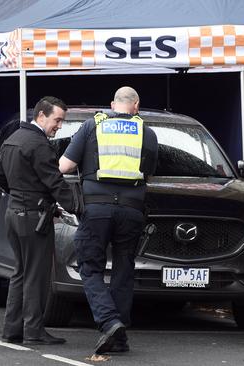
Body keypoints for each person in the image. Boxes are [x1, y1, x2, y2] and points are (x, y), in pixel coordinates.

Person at [59, 86, 158, 354]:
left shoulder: (92, 126)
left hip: (97, 208)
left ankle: (109, 321)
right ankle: (120, 337)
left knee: (90, 267)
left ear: (113, 104)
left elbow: (65, 166)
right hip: (132, 210)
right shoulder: (146, 133)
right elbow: (148, 175)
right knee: (123, 270)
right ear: (136, 105)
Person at [0, 96, 82, 345]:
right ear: (41, 116)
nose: (59, 126)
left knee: (20, 273)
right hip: (34, 217)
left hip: (13, 214)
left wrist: (20, 195)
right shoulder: (39, 145)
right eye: (57, 120)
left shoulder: (12, 140)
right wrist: (76, 207)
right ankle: (33, 330)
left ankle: (12, 329)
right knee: (36, 275)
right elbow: (55, 182)